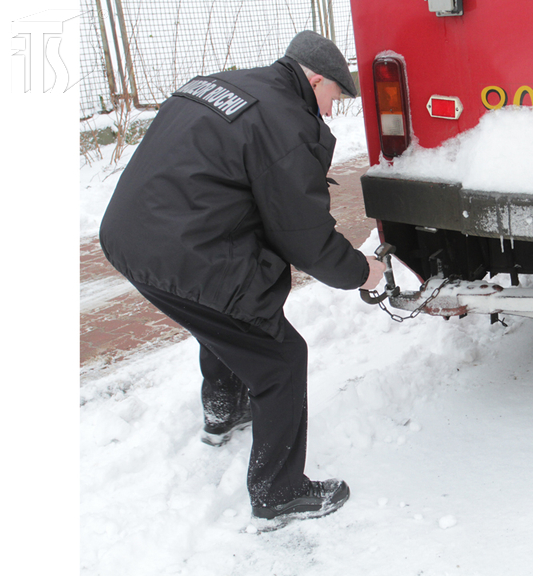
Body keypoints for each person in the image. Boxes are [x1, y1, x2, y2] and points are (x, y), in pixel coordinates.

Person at [99, 30, 385, 523]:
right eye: (334, 97)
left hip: (131, 236)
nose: (331, 110)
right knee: (280, 357)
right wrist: (361, 271)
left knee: (222, 314)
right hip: (183, 249)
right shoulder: (284, 123)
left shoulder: (227, 85)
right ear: (316, 79)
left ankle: (224, 410)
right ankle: (278, 493)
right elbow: (303, 236)